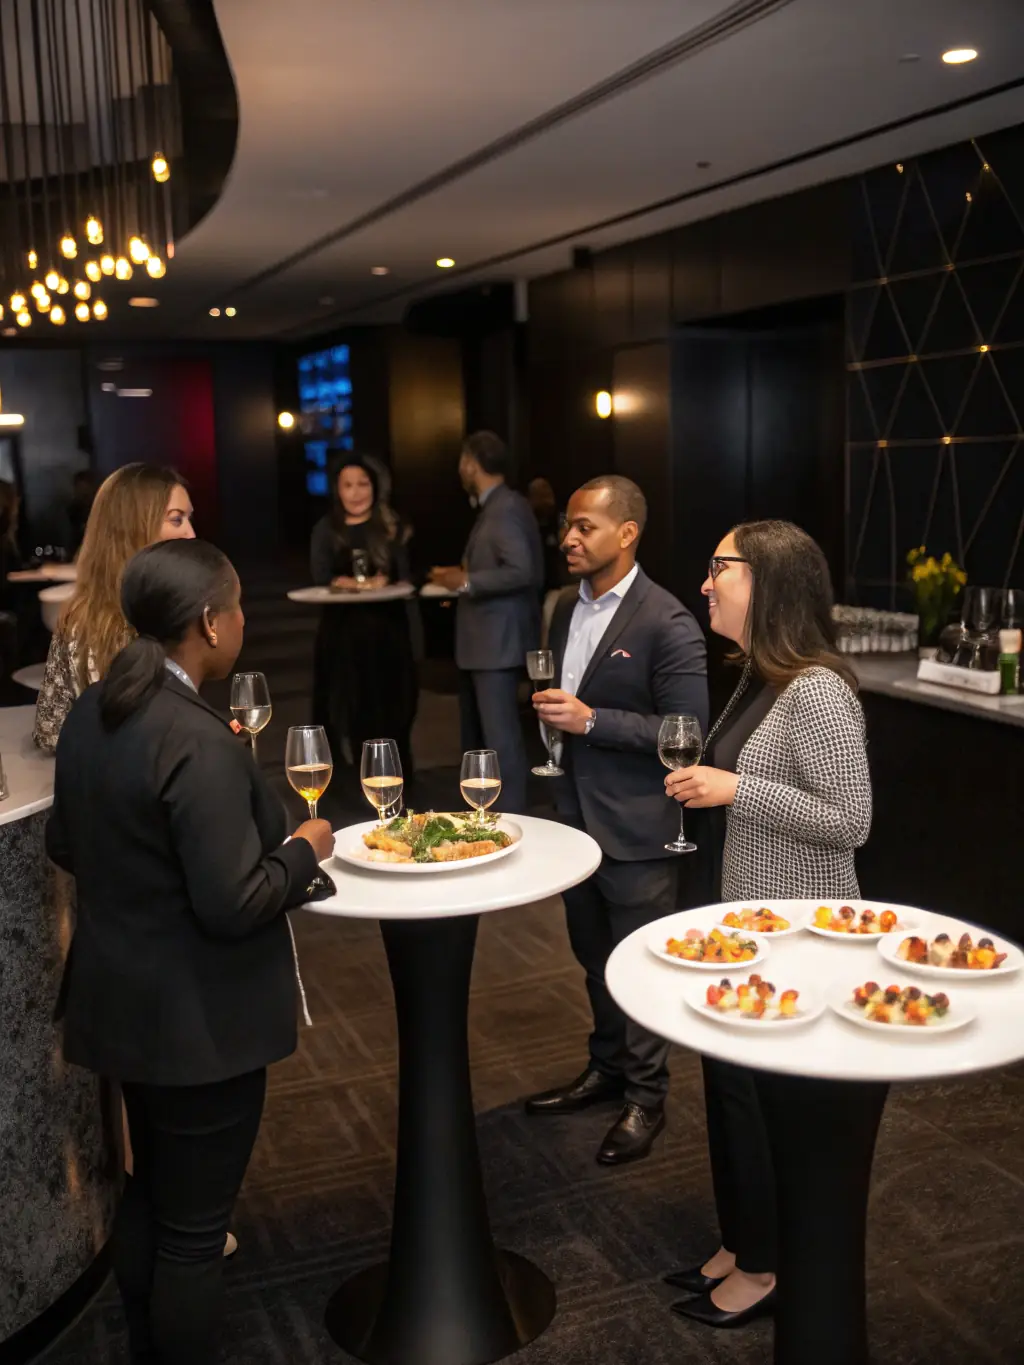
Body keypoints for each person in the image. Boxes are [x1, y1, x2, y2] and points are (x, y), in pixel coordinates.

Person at [46, 539, 335, 1365]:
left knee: (149, 1196)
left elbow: (69, 843)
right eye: (239, 606)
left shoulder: (94, 711)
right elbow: (236, 899)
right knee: (195, 1234)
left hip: (121, 1004)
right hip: (198, 1026)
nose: (245, 619)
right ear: (211, 622)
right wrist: (307, 847)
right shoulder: (197, 739)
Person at [662, 520, 871, 1328]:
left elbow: (851, 819)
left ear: (770, 581)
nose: (706, 582)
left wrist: (735, 791)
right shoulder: (760, 674)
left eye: (721, 568)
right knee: (728, 1086)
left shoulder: (816, 687)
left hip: (799, 933)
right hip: (747, 921)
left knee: (760, 1100)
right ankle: (741, 1239)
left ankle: (766, 1266)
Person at [524, 475, 708, 1164]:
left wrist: (592, 720)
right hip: (573, 820)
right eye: (568, 527)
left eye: (583, 527)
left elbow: (689, 729)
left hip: (638, 825)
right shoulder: (562, 611)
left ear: (627, 533)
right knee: (592, 958)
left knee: (640, 966)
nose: (568, 538)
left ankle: (646, 1096)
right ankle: (606, 1067)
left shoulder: (668, 620)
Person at [34, 464, 195, 753]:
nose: (190, 534)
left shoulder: (162, 603)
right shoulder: (98, 621)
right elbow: (56, 732)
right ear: (134, 526)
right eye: (176, 519)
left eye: (188, 519)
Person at [429, 431, 543, 815]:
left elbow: (522, 570)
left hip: (497, 644)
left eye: (463, 461)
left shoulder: (506, 507)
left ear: (471, 464)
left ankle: (511, 819)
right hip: (488, 644)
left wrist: (466, 581)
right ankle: (493, 816)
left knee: (502, 741)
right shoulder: (500, 506)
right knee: (491, 739)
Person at [309, 455, 418, 781]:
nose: (356, 493)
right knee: (353, 717)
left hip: (389, 637)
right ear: (337, 490)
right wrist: (344, 585)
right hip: (344, 641)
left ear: (376, 486)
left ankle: (401, 791)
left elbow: (409, 576)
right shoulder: (326, 529)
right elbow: (321, 576)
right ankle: (360, 791)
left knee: (395, 716)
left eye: (363, 484)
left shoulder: (392, 526)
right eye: (347, 485)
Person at [68, 468, 97, 556]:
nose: (83, 492)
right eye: (80, 488)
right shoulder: (70, 513)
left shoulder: (100, 512)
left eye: (86, 489)